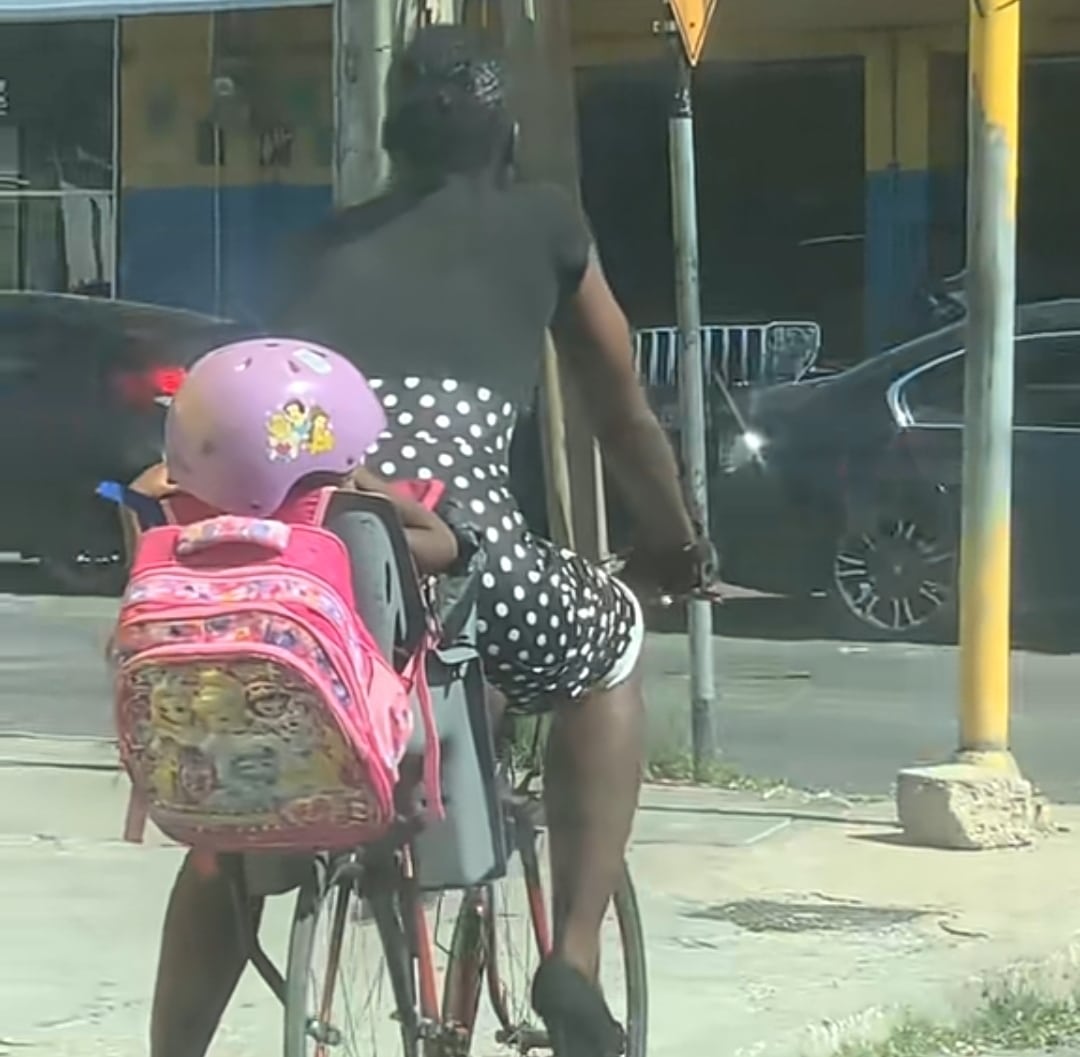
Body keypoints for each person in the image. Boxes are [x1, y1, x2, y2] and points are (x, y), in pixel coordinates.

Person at [147, 26, 709, 1057]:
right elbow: (618, 409)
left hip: (306, 556)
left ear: (394, 144)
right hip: (450, 540)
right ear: (509, 134)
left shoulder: (316, 246)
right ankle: (572, 959)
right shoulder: (544, 221)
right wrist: (674, 542)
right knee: (612, 639)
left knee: (234, 833)